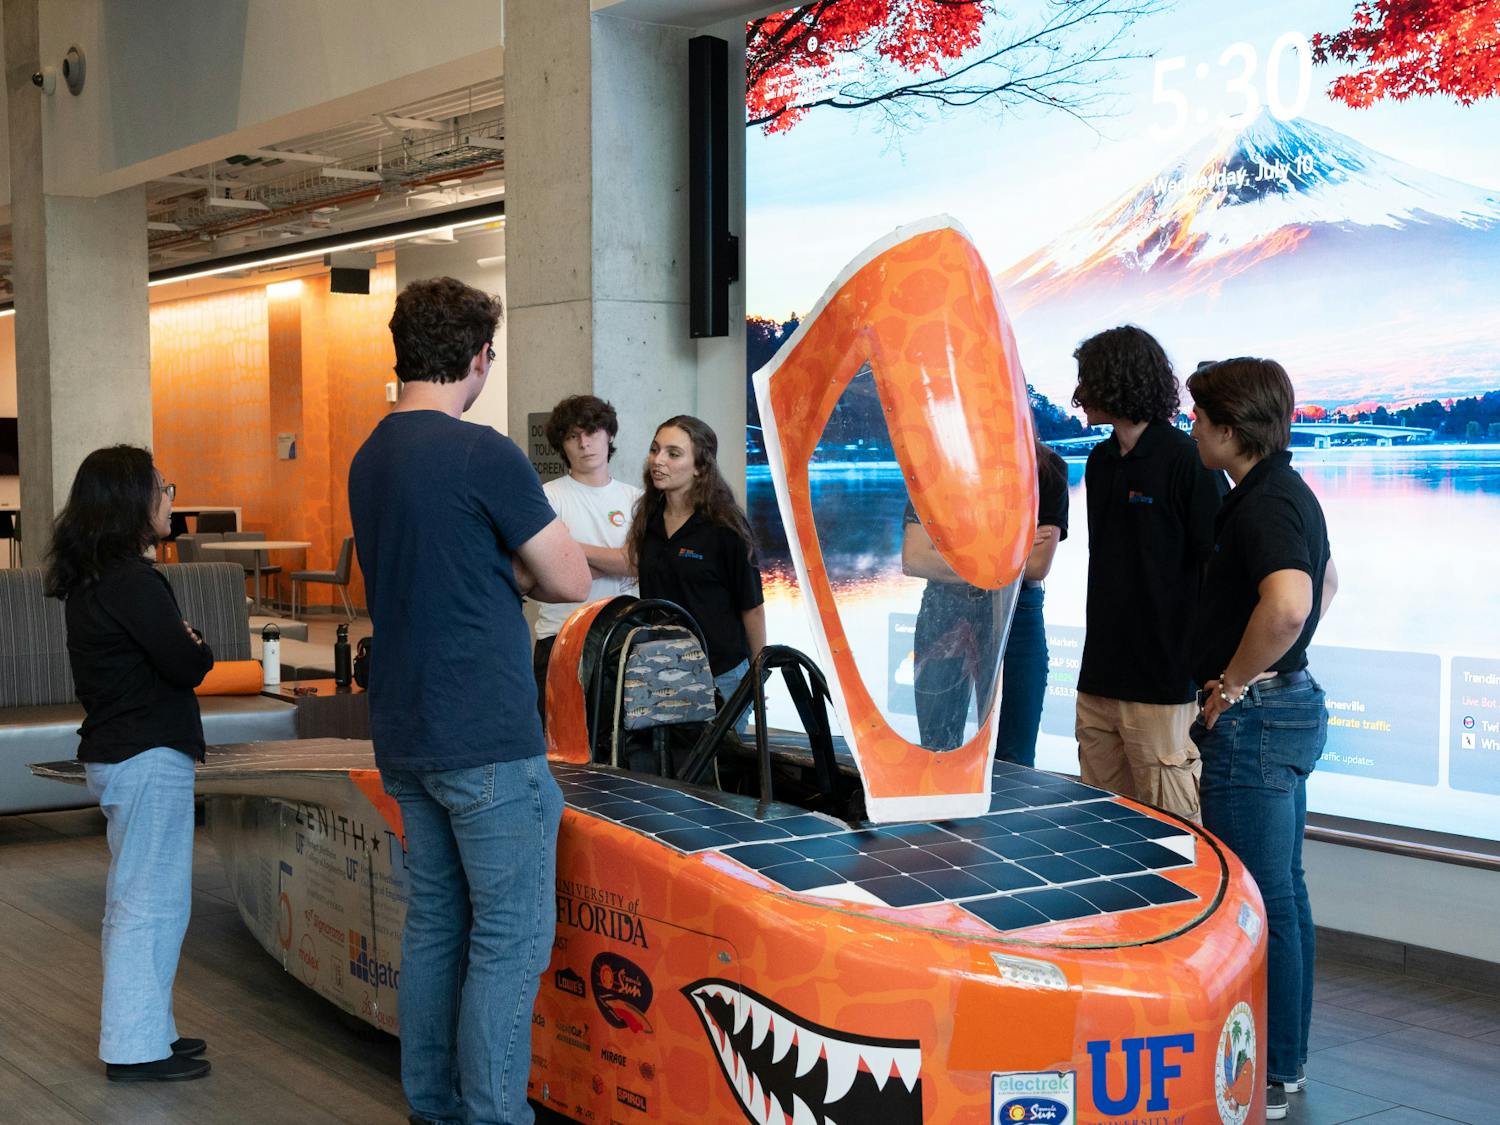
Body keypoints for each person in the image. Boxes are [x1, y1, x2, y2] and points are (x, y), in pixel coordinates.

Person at [348, 277, 590, 1125]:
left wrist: (495, 565)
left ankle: (434, 1104)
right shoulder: (483, 453)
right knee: (509, 936)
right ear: (479, 358)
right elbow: (570, 576)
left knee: (436, 925)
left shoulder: (370, 455)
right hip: (484, 729)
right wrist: (512, 569)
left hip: (405, 727)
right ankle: (492, 1114)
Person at [1186, 358, 1337, 1121]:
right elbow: (1326, 583)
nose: (1191, 427)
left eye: (1198, 417)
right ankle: (1286, 1064)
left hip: (1258, 719)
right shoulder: (1286, 490)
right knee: (1286, 890)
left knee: (1261, 897)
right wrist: (1279, 662)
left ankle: (1271, 1075)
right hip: (1288, 707)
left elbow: (1290, 604)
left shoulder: (1264, 501)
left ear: (1229, 428)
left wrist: (1236, 683)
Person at [45, 445, 214, 1083]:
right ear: (131, 502)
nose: (170, 499)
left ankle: (151, 1031)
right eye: (162, 488)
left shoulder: (96, 578)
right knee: (151, 904)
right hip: (147, 754)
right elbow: (188, 662)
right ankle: (135, 1049)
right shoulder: (133, 582)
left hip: (123, 752)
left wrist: (186, 642)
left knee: (143, 898)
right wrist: (195, 643)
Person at [1071, 325, 1225, 822]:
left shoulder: (1188, 460)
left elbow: (1220, 570)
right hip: (1099, 677)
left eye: (1087, 379)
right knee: (1099, 829)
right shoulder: (1099, 461)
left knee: (1173, 836)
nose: (1078, 394)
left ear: (1117, 380)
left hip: (1164, 683)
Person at [901, 439, 1068, 762]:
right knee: (938, 752)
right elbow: (915, 559)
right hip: (946, 610)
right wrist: (1011, 548)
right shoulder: (938, 463)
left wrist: (955, 549)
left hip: (1016, 613)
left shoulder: (1046, 466)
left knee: (1014, 760)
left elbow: (1036, 566)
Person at [626, 415, 765, 721]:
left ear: (700, 467)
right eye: (655, 449)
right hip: (660, 670)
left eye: (673, 454)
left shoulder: (725, 526)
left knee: (720, 755)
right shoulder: (648, 517)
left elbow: (752, 608)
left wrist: (757, 676)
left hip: (721, 674)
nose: (658, 460)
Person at [533, 394, 642, 720]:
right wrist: (615, 561)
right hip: (561, 636)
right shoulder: (546, 497)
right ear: (562, 445)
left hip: (623, 635)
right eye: (572, 436)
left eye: (592, 432)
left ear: (609, 435)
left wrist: (571, 548)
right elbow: (543, 571)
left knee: (620, 737)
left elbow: (636, 563)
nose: (584, 444)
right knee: (561, 738)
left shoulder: (636, 499)